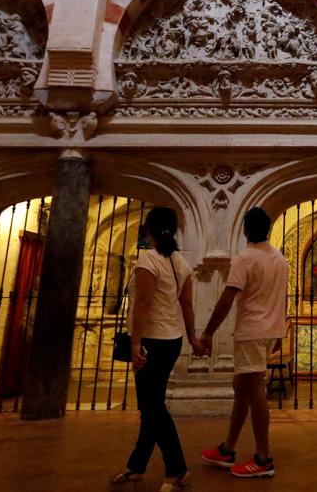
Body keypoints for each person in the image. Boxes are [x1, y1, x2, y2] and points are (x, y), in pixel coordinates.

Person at [111, 207, 202, 489]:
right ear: (173, 231)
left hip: (151, 340)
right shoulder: (181, 263)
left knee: (152, 406)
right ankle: (137, 465)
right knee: (151, 406)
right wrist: (193, 337)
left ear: (149, 230)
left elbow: (143, 303)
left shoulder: (148, 260)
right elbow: (186, 304)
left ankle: (177, 468)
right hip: (172, 339)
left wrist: (136, 342)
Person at [198, 208, 288, 479]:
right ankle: (228, 448)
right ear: (268, 230)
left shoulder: (245, 259)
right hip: (269, 330)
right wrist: (279, 333)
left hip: (251, 331)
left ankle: (263, 457)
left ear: (246, 230)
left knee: (255, 391)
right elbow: (282, 299)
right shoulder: (280, 259)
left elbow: (226, 299)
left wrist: (207, 333)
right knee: (242, 387)